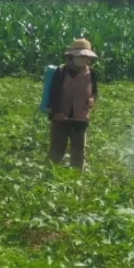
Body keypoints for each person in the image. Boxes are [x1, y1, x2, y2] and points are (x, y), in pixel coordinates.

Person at [47, 38, 100, 170]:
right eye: (81, 56)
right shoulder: (60, 72)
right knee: (57, 147)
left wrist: (92, 100)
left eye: (86, 57)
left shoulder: (91, 73)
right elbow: (53, 94)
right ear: (73, 56)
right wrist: (56, 112)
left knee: (78, 148)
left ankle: (76, 175)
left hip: (80, 117)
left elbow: (94, 92)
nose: (84, 60)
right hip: (61, 116)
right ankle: (51, 172)